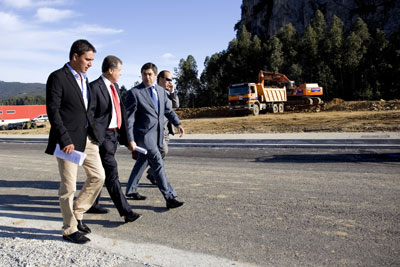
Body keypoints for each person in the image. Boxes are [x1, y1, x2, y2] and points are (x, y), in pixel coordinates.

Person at [45, 39, 105, 244]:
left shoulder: (84, 79)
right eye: (88, 59)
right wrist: (64, 138)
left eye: (92, 60)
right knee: (68, 187)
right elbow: (53, 110)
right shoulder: (57, 77)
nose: (91, 63)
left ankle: (78, 213)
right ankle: (69, 229)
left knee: (98, 176)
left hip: (87, 138)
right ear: (75, 57)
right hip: (68, 142)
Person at [87, 55, 141, 223]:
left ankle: (92, 203)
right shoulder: (94, 87)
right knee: (112, 173)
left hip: (113, 135)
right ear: (111, 70)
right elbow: (89, 115)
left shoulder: (115, 87)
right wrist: (97, 137)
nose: (121, 73)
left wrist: (127, 139)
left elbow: (121, 113)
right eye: (119, 70)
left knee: (100, 172)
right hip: (102, 137)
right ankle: (126, 211)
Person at [125, 63, 185, 209]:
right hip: (143, 136)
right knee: (158, 163)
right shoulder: (135, 93)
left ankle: (131, 189)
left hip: (158, 134)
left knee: (142, 162)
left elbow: (168, 111)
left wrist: (178, 123)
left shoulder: (161, 91)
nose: (147, 77)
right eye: (144, 74)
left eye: (150, 74)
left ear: (155, 76)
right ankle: (169, 197)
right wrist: (130, 139)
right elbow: (129, 119)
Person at [146, 70, 179, 185]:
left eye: (171, 79)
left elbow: (176, 105)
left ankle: (153, 174)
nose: (170, 82)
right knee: (163, 151)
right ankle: (156, 175)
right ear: (160, 79)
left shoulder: (168, 93)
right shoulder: (153, 91)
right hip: (155, 129)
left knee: (162, 154)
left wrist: (173, 92)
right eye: (168, 79)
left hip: (166, 129)